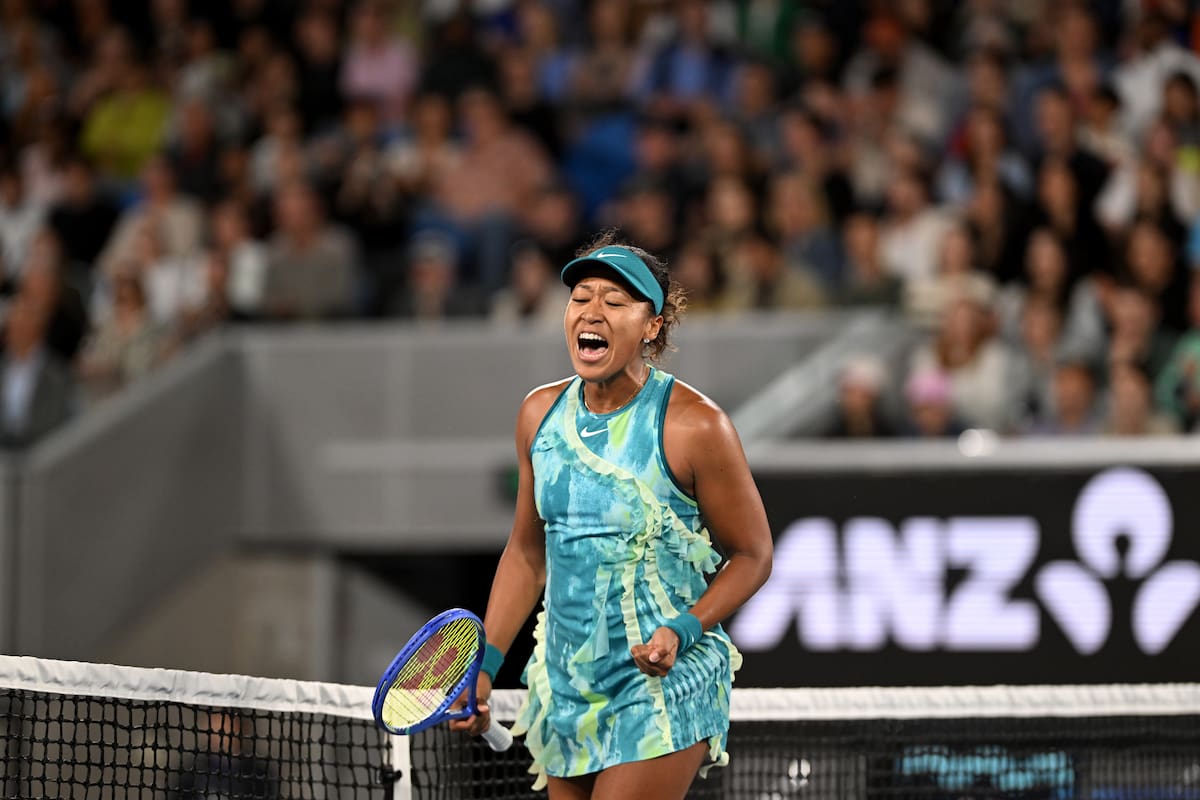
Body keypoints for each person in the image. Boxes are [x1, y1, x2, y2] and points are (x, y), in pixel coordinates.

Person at [450, 233, 773, 799]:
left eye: (615, 301)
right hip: (569, 687)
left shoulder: (696, 426)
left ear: (652, 326)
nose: (590, 311)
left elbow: (753, 555)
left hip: (663, 682)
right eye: (580, 297)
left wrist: (683, 628)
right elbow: (527, 553)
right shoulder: (538, 415)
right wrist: (487, 662)